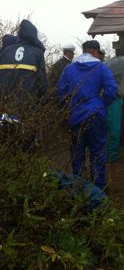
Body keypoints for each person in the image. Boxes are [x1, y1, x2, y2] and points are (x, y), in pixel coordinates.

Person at [57, 40, 117, 190]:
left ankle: (78, 187)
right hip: (95, 115)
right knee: (97, 152)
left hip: (75, 116)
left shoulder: (69, 68)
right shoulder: (101, 67)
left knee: (77, 153)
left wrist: (70, 106)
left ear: (83, 51)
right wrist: (100, 105)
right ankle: (98, 188)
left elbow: (60, 93)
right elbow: (111, 91)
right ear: (96, 52)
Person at [0, 20, 47, 151]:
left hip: (4, 106)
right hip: (26, 107)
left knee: (5, 142)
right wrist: (42, 100)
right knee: (24, 145)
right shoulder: (37, 53)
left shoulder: (6, 50)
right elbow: (42, 83)